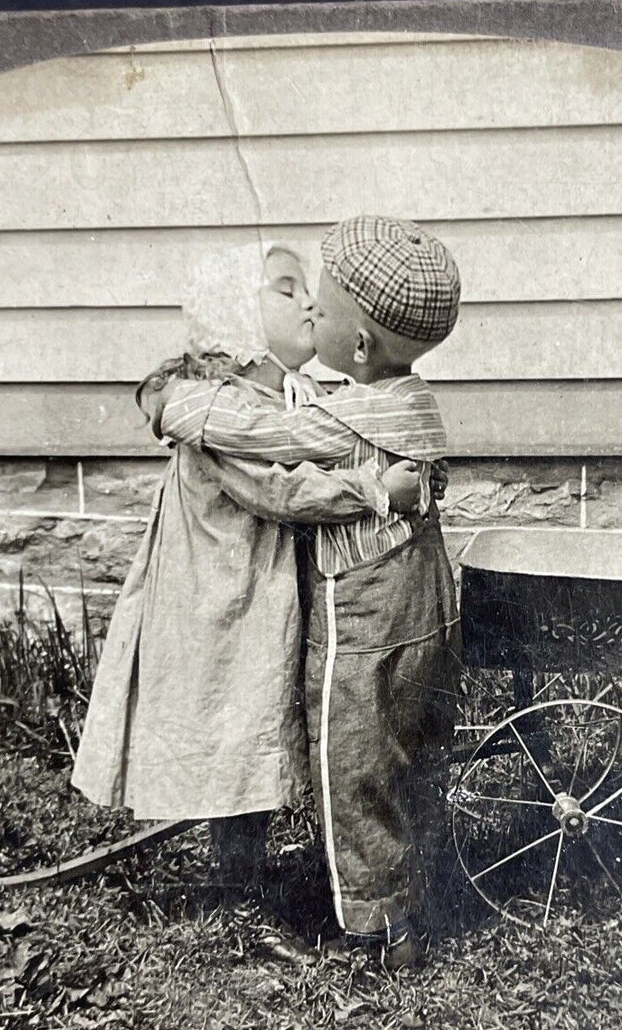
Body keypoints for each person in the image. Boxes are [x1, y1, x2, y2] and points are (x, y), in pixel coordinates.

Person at [71, 243, 421, 963]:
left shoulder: (282, 396)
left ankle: (252, 877)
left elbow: (313, 441)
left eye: (304, 290)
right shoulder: (217, 409)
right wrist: (373, 492)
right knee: (234, 732)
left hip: (256, 588)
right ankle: (238, 901)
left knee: (256, 724)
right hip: (217, 600)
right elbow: (276, 489)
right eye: (284, 289)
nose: (306, 303)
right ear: (235, 316)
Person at [157, 216, 463, 972]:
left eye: (316, 301)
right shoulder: (391, 399)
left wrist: (166, 396)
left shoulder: (319, 410)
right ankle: (402, 895)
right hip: (364, 604)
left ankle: (374, 923)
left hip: (359, 607)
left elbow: (274, 449)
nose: (307, 311)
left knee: (353, 755)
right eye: (289, 292)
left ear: (357, 344)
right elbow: (261, 451)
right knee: (389, 747)